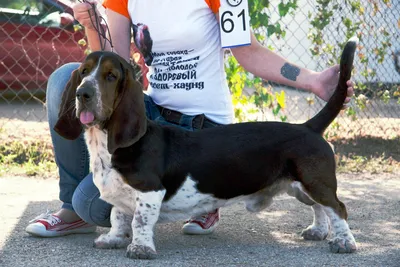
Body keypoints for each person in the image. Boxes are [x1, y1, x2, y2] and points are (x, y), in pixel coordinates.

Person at [25, 0, 354, 237]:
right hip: (154, 120)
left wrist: (312, 80)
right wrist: (88, 23)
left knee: (95, 205)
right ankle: (71, 207)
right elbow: (113, 65)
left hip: (202, 130)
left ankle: (206, 195)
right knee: (64, 79)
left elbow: (249, 52)